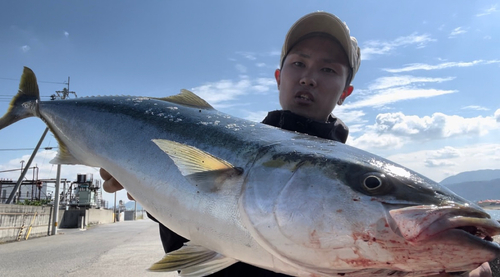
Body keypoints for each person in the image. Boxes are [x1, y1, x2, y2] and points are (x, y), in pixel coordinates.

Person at [101, 11, 490, 277]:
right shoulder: (233, 146)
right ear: (279, 75)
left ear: (346, 91)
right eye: (299, 64)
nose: (308, 78)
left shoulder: (348, 172)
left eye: (327, 69)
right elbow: (188, 244)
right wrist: (144, 185)